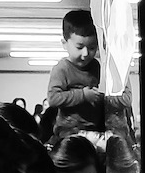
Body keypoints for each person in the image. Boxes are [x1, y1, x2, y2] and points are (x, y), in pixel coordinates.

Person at [42, 9, 108, 139]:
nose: (85, 53)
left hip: (93, 128)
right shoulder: (62, 69)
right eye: (79, 47)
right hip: (68, 131)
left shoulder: (95, 66)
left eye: (92, 48)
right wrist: (83, 95)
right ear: (64, 44)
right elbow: (53, 98)